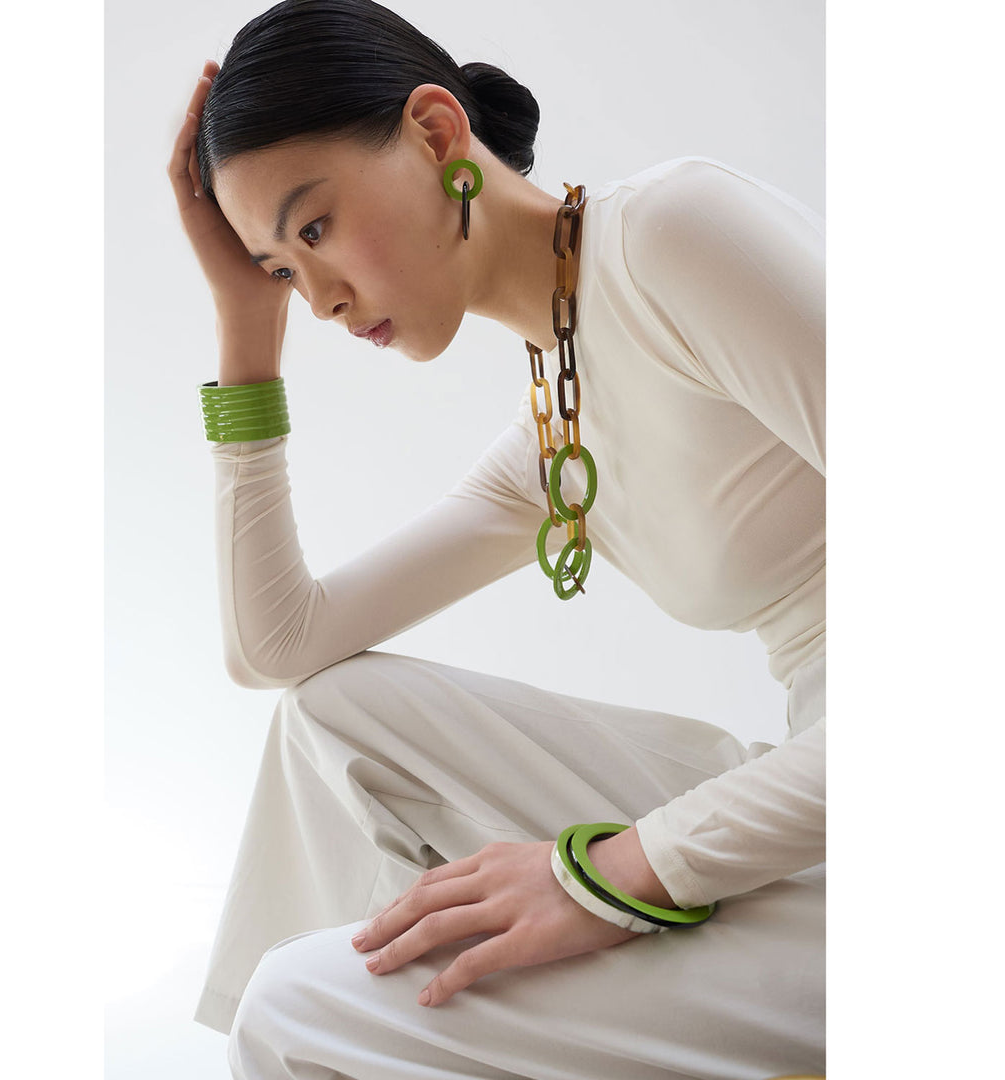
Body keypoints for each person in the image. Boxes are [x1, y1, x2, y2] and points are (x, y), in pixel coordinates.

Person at [167, 1, 825, 1077]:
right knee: (335, 717)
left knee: (300, 1007)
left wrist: (613, 874)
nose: (318, 300)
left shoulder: (673, 232)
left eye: (313, 229)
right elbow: (279, 647)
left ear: (437, 134)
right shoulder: (555, 432)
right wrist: (248, 333)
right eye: (283, 268)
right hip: (818, 783)